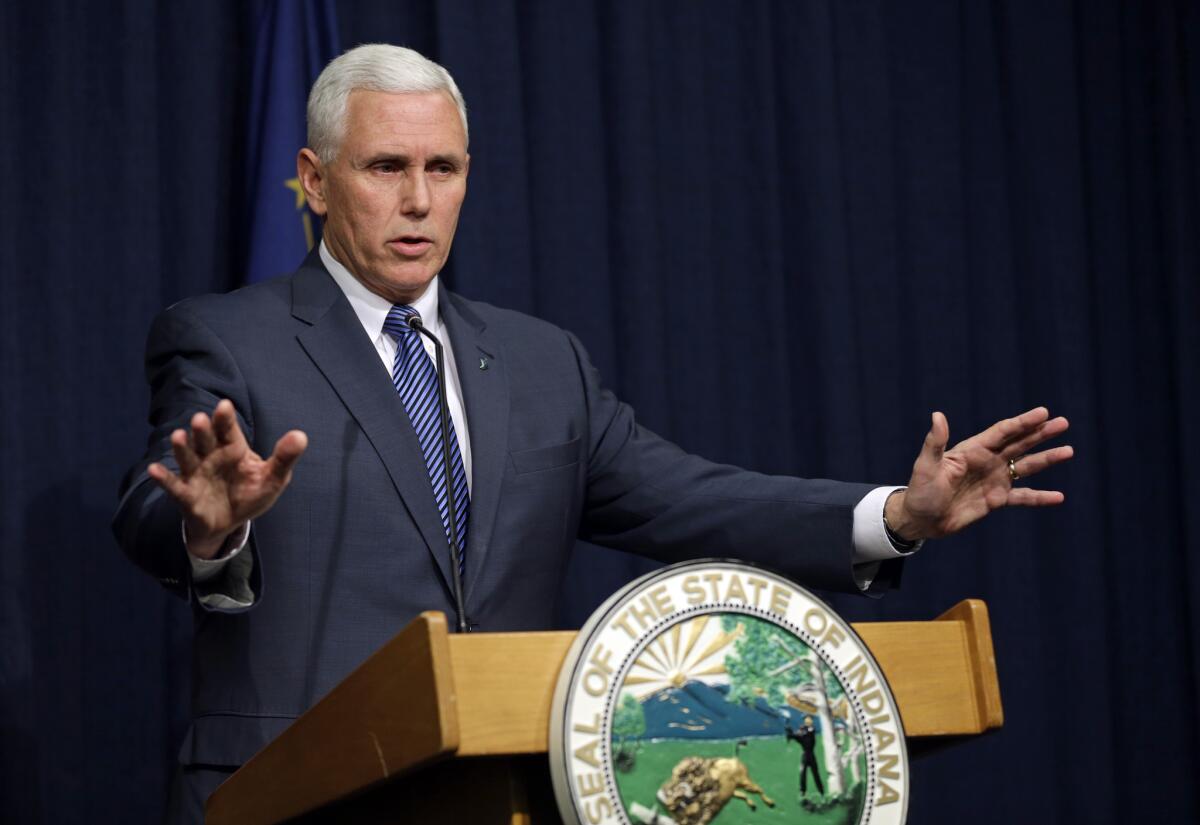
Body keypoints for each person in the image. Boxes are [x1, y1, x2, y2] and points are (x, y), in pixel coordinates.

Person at [113, 44, 1072, 823]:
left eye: (441, 169)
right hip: (296, 795)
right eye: (385, 168)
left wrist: (896, 512)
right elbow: (155, 503)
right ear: (317, 182)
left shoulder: (542, 364)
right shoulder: (227, 336)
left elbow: (691, 499)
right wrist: (212, 528)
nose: (417, 200)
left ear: (467, 177)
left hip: (505, 794)